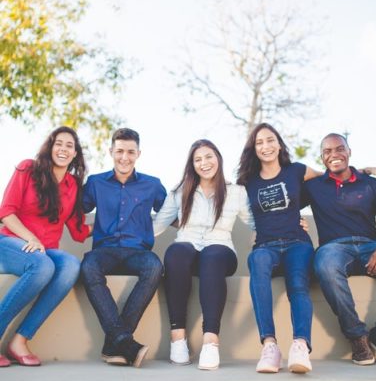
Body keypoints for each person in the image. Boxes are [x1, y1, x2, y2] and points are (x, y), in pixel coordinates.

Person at [237, 122, 376, 374]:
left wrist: (368, 169)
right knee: (258, 262)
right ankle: (270, 346)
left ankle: (300, 345)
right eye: (260, 142)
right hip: (266, 245)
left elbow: (334, 175)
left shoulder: (297, 171)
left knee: (298, 282)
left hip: (298, 243)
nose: (266, 146)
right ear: (253, 148)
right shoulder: (247, 181)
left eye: (270, 140)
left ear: (279, 144)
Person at [152, 139, 255, 370]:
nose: (204, 163)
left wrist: (289, 224)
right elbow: (156, 226)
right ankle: (178, 338)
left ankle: (211, 341)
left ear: (218, 158)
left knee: (212, 255)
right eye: (197, 159)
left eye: (208, 157)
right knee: (176, 252)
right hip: (186, 251)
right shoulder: (180, 193)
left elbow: (256, 222)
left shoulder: (236, 192)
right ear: (192, 165)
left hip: (220, 251)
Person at [303, 133, 376, 366]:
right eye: (327, 151)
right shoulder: (313, 187)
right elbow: (287, 185)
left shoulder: (372, 184)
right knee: (325, 265)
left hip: (372, 248)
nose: (334, 154)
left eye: (339, 149)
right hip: (333, 249)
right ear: (322, 157)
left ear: (349, 152)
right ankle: (357, 336)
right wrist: (294, 221)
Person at [0, 126, 91, 368]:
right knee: (42, 266)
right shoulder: (28, 168)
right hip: (11, 241)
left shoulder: (73, 186)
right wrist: (30, 238)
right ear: (50, 147)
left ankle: (19, 340)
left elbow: (78, 229)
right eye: (58, 143)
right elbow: (6, 212)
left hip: (45, 250)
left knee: (71, 265)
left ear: (75, 154)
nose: (63, 149)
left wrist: (116, 225)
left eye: (69, 145)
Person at [80, 128, 167, 368]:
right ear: (111, 151)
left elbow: (174, 211)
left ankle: (115, 343)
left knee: (154, 266)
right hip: (104, 251)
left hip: (138, 252)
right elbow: (75, 209)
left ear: (138, 153)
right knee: (88, 266)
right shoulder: (96, 182)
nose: (124, 157)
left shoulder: (152, 184)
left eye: (130, 152)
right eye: (119, 151)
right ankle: (125, 342)